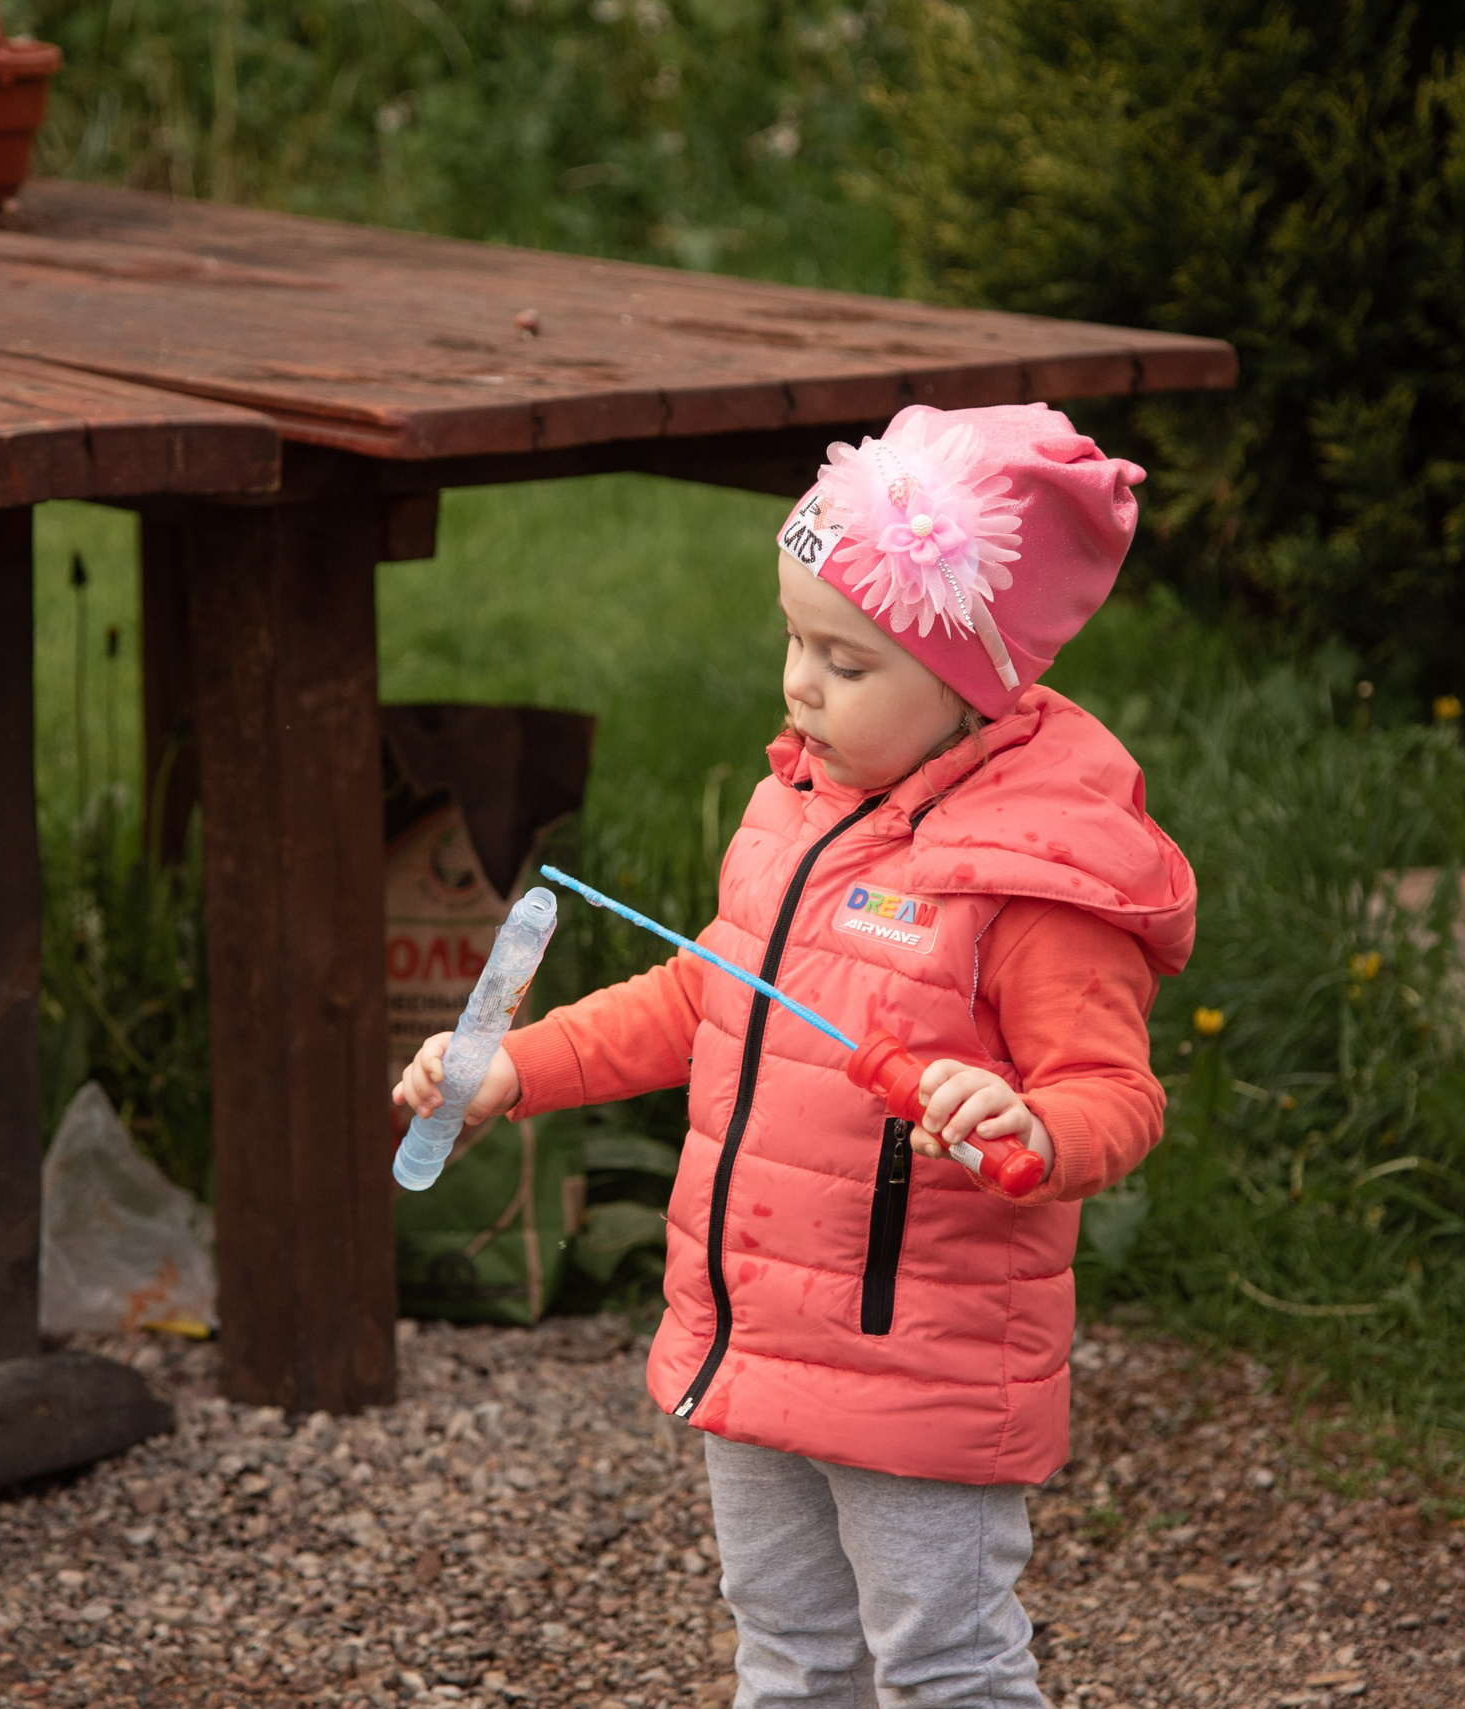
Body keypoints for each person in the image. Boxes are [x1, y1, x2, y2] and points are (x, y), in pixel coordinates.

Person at [395, 402, 1198, 1708]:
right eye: (795, 638)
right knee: (788, 1652)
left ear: (971, 686)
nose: (799, 684)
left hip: (920, 1371)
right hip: (756, 1338)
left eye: (846, 660)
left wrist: (1033, 1123)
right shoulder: (796, 810)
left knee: (944, 1664)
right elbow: (704, 996)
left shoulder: (1035, 878)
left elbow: (1114, 1094)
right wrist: (518, 1069)